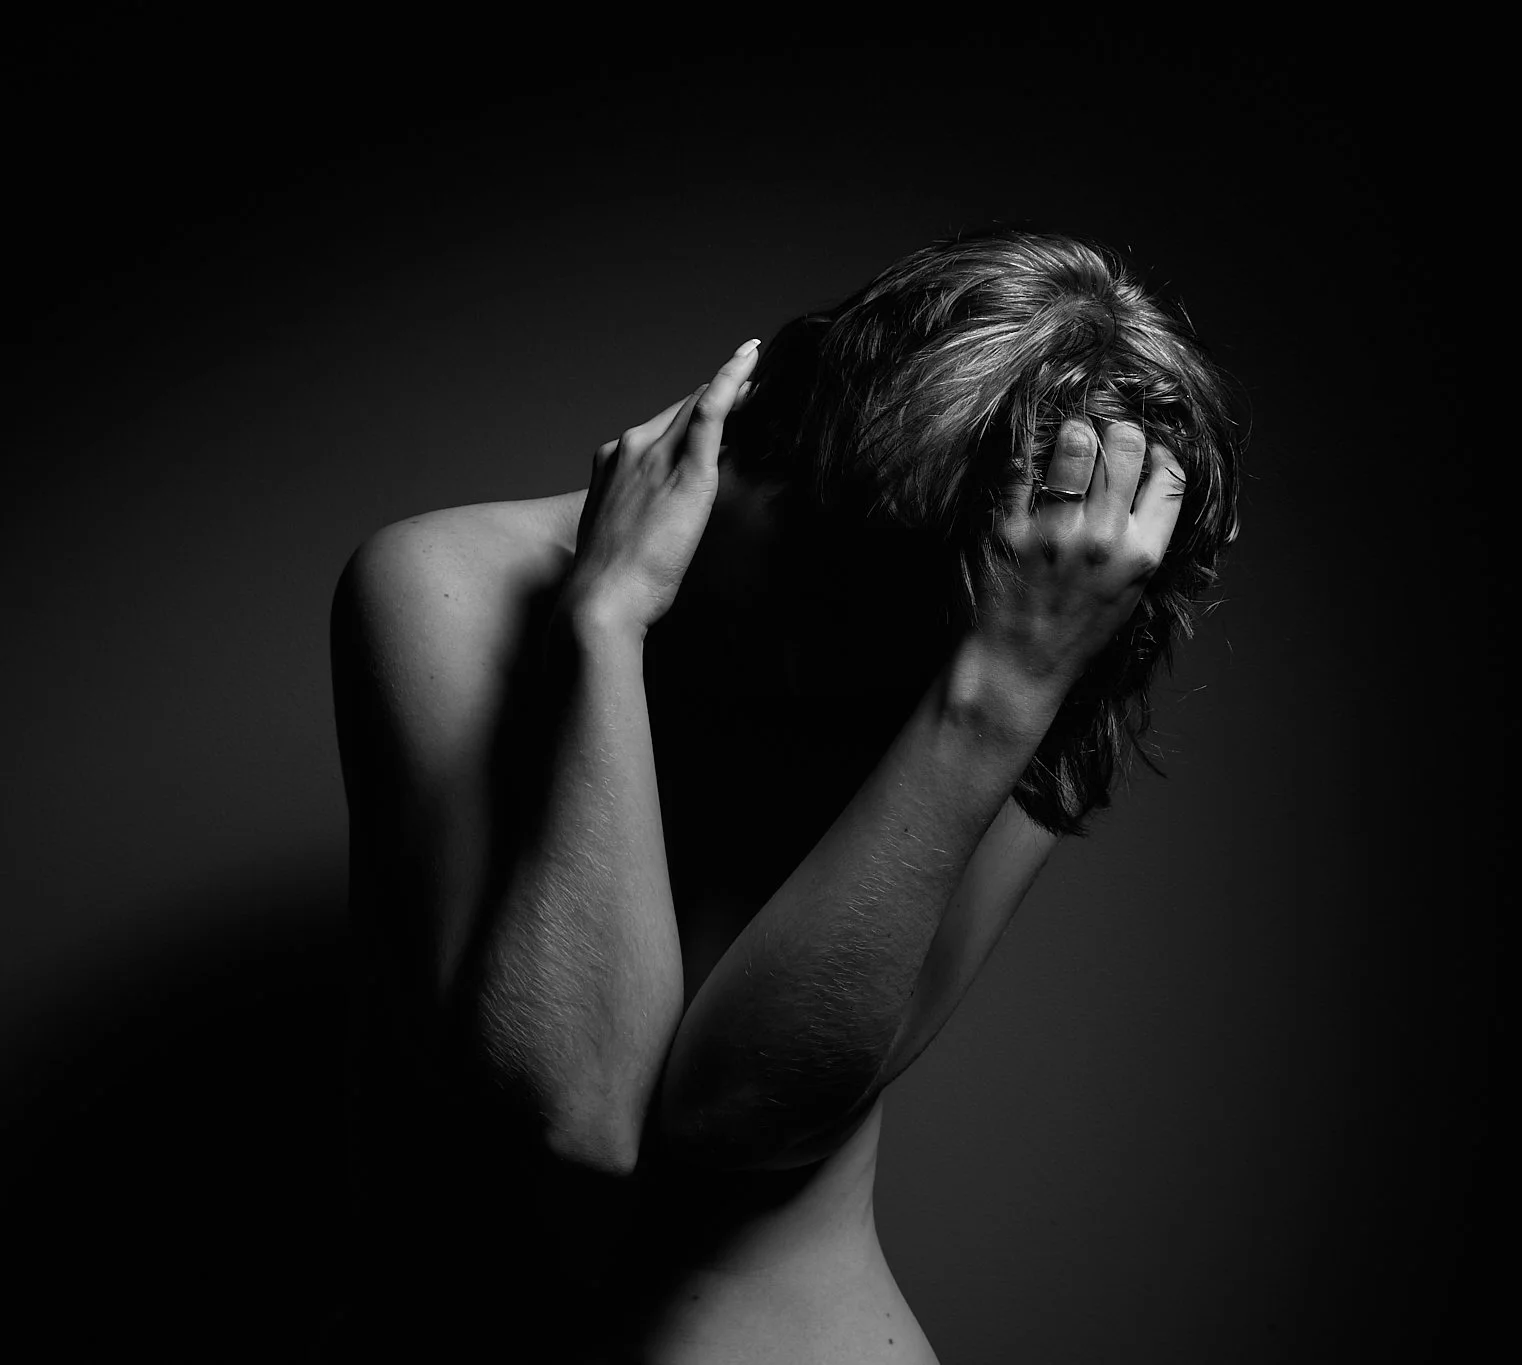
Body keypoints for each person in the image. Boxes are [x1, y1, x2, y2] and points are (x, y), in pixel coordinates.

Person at [328, 228, 1245, 1362]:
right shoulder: (450, 584)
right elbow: (574, 1109)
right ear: (754, 431)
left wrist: (1000, 688)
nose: (851, 665)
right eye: (842, 583)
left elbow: (740, 1113)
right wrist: (604, 623)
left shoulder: (1012, 673)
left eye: (920, 636)